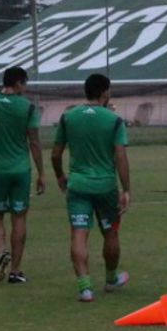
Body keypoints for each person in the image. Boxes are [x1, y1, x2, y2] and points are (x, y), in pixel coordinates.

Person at [51, 73, 131, 303]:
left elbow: (55, 154)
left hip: (77, 185)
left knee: (79, 233)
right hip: (105, 186)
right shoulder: (113, 120)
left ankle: (85, 288)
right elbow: (121, 157)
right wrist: (126, 189)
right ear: (105, 92)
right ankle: (111, 279)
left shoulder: (69, 117)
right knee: (111, 232)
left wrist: (60, 176)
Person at [0, 66, 46, 284]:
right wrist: (41, 173)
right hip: (21, 171)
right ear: (19, 83)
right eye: (25, 84)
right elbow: (34, 141)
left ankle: (2, 250)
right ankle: (16, 271)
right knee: (19, 218)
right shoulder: (28, 107)